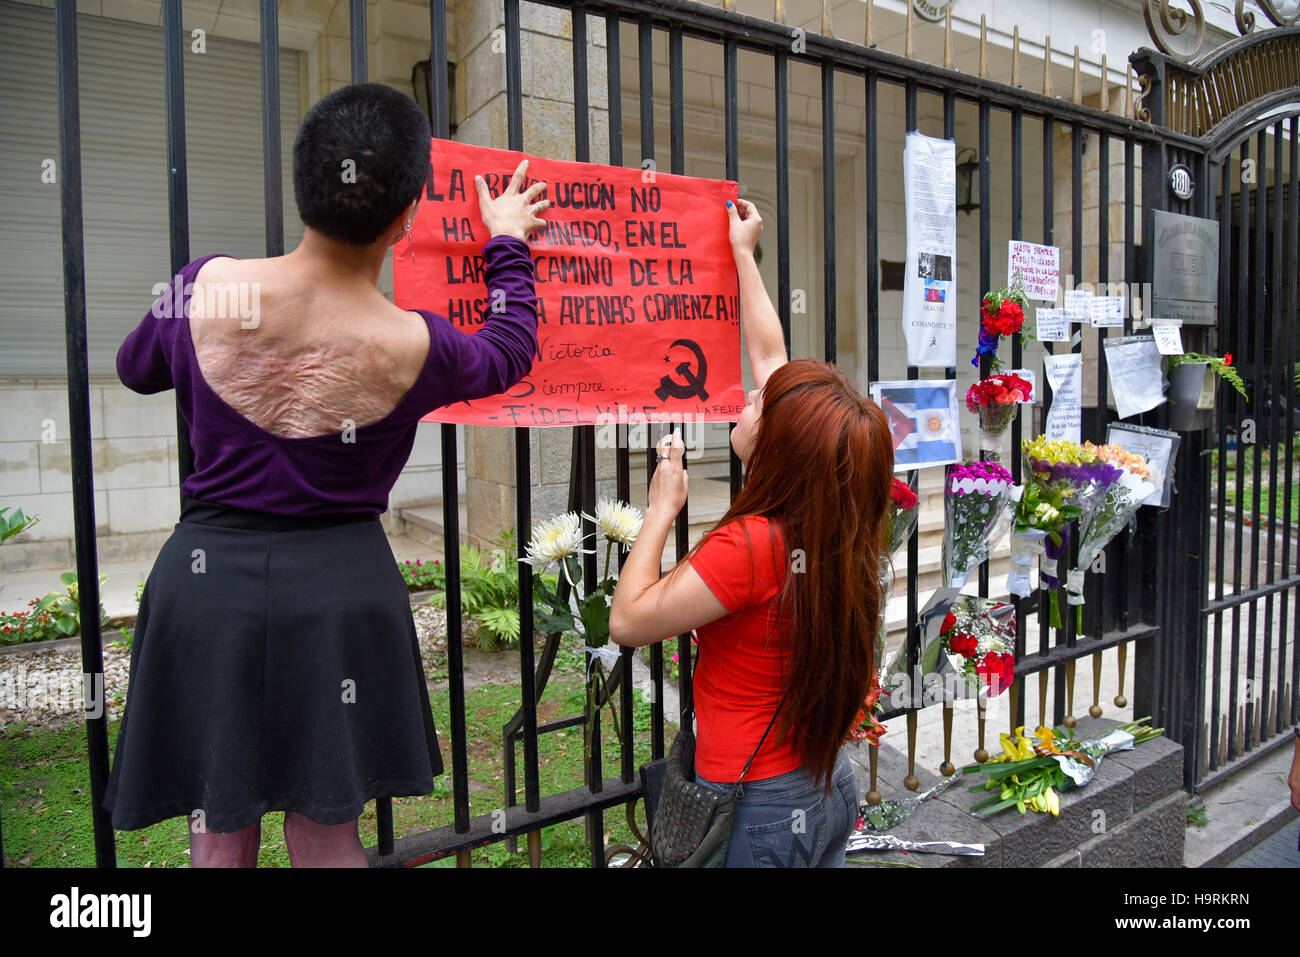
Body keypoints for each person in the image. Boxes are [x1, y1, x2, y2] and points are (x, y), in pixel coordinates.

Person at [102, 83, 550, 867]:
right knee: (328, 831)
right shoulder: (418, 344)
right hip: (341, 592)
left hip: (206, 586)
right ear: (408, 214)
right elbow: (511, 345)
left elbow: (134, 367)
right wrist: (504, 238)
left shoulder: (209, 285)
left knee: (217, 826)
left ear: (306, 181)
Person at [609, 198, 894, 867]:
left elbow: (628, 620)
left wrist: (660, 509)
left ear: (781, 448)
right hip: (825, 789)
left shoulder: (755, 546)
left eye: (760, 403)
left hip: (759, 810)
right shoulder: (839, 524)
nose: (748, 394)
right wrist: (743, 251)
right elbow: (772, 357)